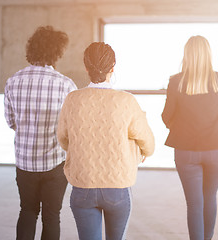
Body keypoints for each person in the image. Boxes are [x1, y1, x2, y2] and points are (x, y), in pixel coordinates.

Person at [57, 42, 155, 240]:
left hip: (83, 184)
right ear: (113, 67)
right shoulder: (126, 101)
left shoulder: (72, 99)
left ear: (86, 67)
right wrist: (141, 152)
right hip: (117, 186)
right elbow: (149, 144)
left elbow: (63, 139)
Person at [4, 26, 77, 240]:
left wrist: (28, 130)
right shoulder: (66, 85)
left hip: (24, 162)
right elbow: (69, 128)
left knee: (27, 211)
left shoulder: (13, 82)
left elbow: (10, 121)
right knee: (52, 216)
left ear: (31, 49)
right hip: (55, 163)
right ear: (58, 52)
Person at [161, 35, 218, 240]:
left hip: (185, 151)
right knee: (209, 197)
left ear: (186, 55)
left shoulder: (175, 81)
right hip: (217, 149)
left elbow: (166, 117)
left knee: (194, 203)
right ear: (208, 55)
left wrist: (179, 124)